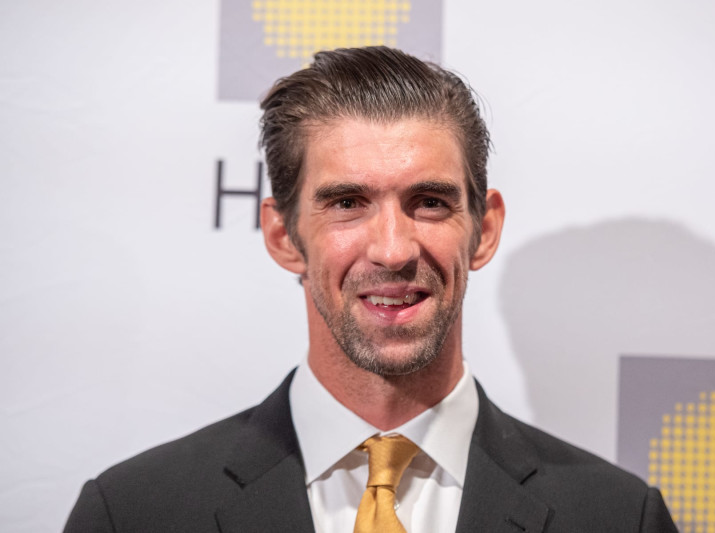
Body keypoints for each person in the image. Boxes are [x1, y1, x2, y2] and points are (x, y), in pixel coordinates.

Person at [64, 46, 677, 532]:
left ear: (483, 230)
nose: (392, 248)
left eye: (430, 203)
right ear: (282, 235)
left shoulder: (617, 517)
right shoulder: (135, 513)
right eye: (348, 203)